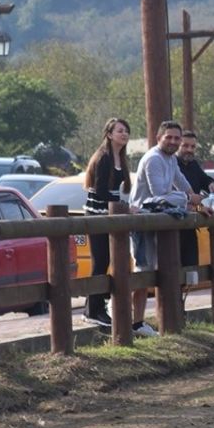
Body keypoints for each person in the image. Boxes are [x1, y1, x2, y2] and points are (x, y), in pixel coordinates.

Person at [129, 121, 213, 336]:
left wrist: (198, 203)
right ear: (159, 138)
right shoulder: (154, 159)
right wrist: (188, 198)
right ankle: (131, 321)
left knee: (163, 271)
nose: (173, 142)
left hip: (162, 221)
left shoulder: (171, 159)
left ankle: (151, 321)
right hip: (144, 221)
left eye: (177, 138)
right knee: (143, 271)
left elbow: (183, 183)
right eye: (169, 137)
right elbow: (158, 194)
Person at [81, 118, 131, 328]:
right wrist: (122, 204)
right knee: (100, 261)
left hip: (109, 214)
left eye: (127, 131)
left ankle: (91, 308)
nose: (124, 134)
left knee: (107, 260)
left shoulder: (121, 157)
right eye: (120, 131)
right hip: (97, 214)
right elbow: (100, 191)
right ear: (109, 134)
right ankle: (95, 310)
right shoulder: (103, 158)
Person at [177, 130, 214, 273]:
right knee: (174, 270)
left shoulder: (193, 164)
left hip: (190, 222)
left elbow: (204, 179)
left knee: (190, 269)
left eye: (193, 147)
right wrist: (200, 206)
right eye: (185, 146)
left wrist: (211, 183)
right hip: (174, 222)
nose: (189, 150)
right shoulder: (172, 164)